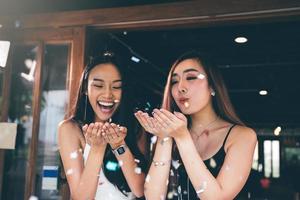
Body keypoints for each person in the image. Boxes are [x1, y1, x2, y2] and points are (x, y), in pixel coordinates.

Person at [135, 50, 257, 199]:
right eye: (174, 81)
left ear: (212, 87)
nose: (180, 87)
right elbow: (153, 196)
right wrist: (165, 137)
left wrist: (182, 137)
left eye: (191, 77)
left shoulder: (242, 136)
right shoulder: (171, 132)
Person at [58, 51, 146, 200]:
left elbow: (139, 190)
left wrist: (118, 145)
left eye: (116, 87)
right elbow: (81, 198)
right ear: (86, 89)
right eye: (98, 85)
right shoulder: (70, 129)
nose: (108, 94)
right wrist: (97, 148)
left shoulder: (135, 127)